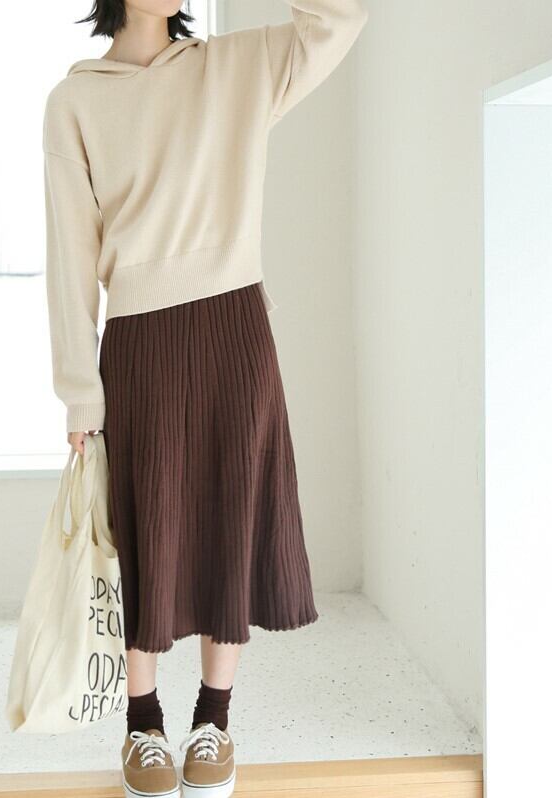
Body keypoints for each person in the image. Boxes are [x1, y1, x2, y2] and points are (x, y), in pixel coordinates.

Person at [43, 1, 369, 796]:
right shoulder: (75, 101)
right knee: (142, 531)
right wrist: (79, 391)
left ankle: (213, 718)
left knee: (231, 516)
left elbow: (338, 20)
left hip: (233, 324)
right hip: (139, 338)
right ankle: (142, 723)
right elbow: (69, 254)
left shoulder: (236, 67)